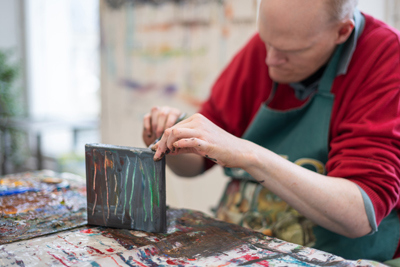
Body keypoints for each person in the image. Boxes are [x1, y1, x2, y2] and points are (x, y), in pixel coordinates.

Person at [142, 0, 400, 262]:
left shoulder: (385, 57)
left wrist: (247, 154)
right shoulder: (270, 46)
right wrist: (171, 140)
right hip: (245, 245)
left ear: (342, 32)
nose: (270, 59)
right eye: (267, 41)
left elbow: (361, 214)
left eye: (291, 50)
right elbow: (195, 164)